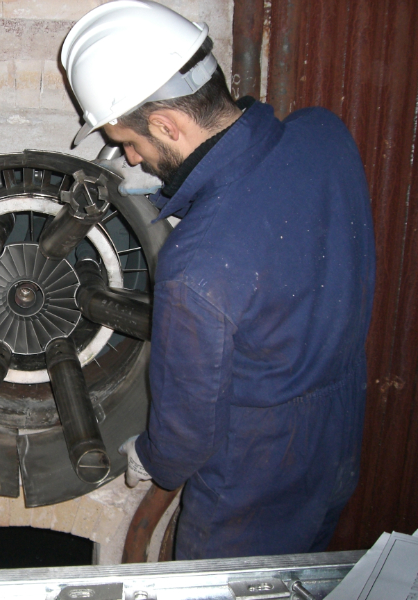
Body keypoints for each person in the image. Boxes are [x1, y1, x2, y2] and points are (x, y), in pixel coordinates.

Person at [62, 0, 375, 560]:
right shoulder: (324, 134)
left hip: (253, 479)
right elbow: (269, 214)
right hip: (339, 439)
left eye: (131, 143)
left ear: (167, 124)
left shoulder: (196, 265)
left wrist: (152, 458)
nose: (130, 159)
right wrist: (180, 193)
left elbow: (187, 436)